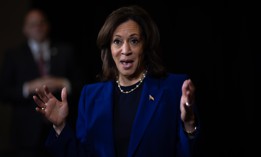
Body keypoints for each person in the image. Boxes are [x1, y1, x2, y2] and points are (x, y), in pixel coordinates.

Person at [33, 5, 200, 157]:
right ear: (109, 48)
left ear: (146, 46)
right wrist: (60, 127)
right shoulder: (90, 96)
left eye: (134, 41)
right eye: (117, 41)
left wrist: (189, 124)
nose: (125, 50)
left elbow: (190, 151)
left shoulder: (174, 87)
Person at [0, 8, 82, 157]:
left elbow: (82, 85)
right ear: (25, 29)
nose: (38, 27)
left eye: (41, 23)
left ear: (48, 25)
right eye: (33, 24)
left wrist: (62, 82)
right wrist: (27, 87)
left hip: (62, 129)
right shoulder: (13, 55)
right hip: (26, 134)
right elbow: (3, 92)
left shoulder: (66, 51)